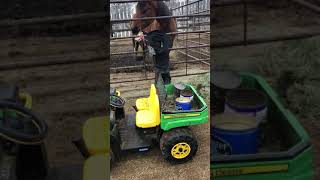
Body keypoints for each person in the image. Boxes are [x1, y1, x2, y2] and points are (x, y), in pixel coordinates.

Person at [130, 1, 177, 84]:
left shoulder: (164, 25)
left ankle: (163, 81)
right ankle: (162, 81)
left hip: (161, 50)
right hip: (157, 49)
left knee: (162, 63)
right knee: (160, 63)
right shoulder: (155, 30)